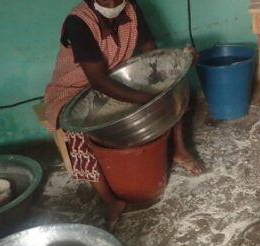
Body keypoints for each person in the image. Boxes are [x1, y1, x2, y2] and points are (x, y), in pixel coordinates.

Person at [44, 0, 204, 229]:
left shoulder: (130, 8)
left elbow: (150, 52)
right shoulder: (78, 22)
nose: (113, 2)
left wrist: (180, 59)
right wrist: (147, 101)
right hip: (77, 88)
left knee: (168, 89)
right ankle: (109, 199)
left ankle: (179, 150)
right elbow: (98, 81)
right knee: (79, 130)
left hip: (118, 76)